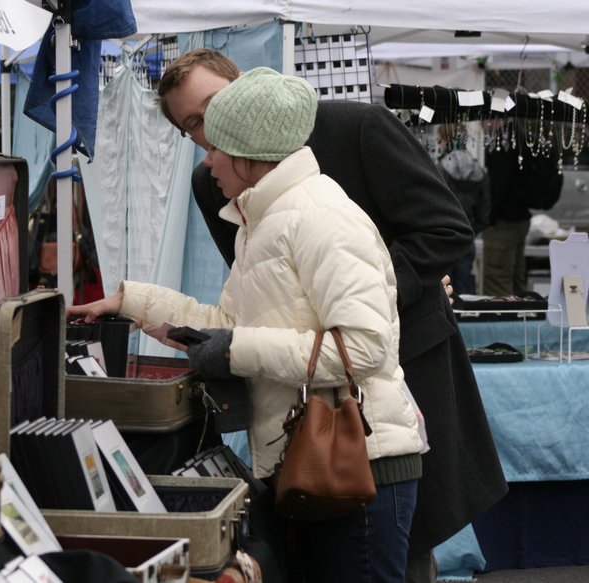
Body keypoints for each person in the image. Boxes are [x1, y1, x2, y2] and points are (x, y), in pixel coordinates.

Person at [157, 49, 508, 583]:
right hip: (303, 401)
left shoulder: (358, 127)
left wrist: (377, 287)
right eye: (192, 126)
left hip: (397, 373)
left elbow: (445, 229)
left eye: (213, 107)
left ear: (247, 86)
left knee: (399, 543)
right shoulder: (214, 182)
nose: (208, 134)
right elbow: (258, 287)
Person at [68, 67, 426, 582]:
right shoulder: (263, 220)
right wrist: (131, 303)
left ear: (250, 153)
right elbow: (228, 325)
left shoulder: (322, 217)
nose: (206, 156)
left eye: (217, 145)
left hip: (359, 465)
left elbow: (366, 348)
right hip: (318, 462)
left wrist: (234, 348)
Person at [483, 129, 563, 297]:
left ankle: (501, 319)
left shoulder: (503, 143)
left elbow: (499, 186)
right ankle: (521, 315)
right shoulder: (523, 139)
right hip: (521, 218)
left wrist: (490, 219)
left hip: (503, 221)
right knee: (517, 277)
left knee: (497, 280)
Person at [435, 124, 491, 295]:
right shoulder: (479, 171)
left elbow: (435, 205)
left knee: (443, 289)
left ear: (445, 139)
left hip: (443, 237)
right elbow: (485, 209)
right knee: (465, 288)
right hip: (467, 235)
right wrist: (473, 229)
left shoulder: (440, 169)